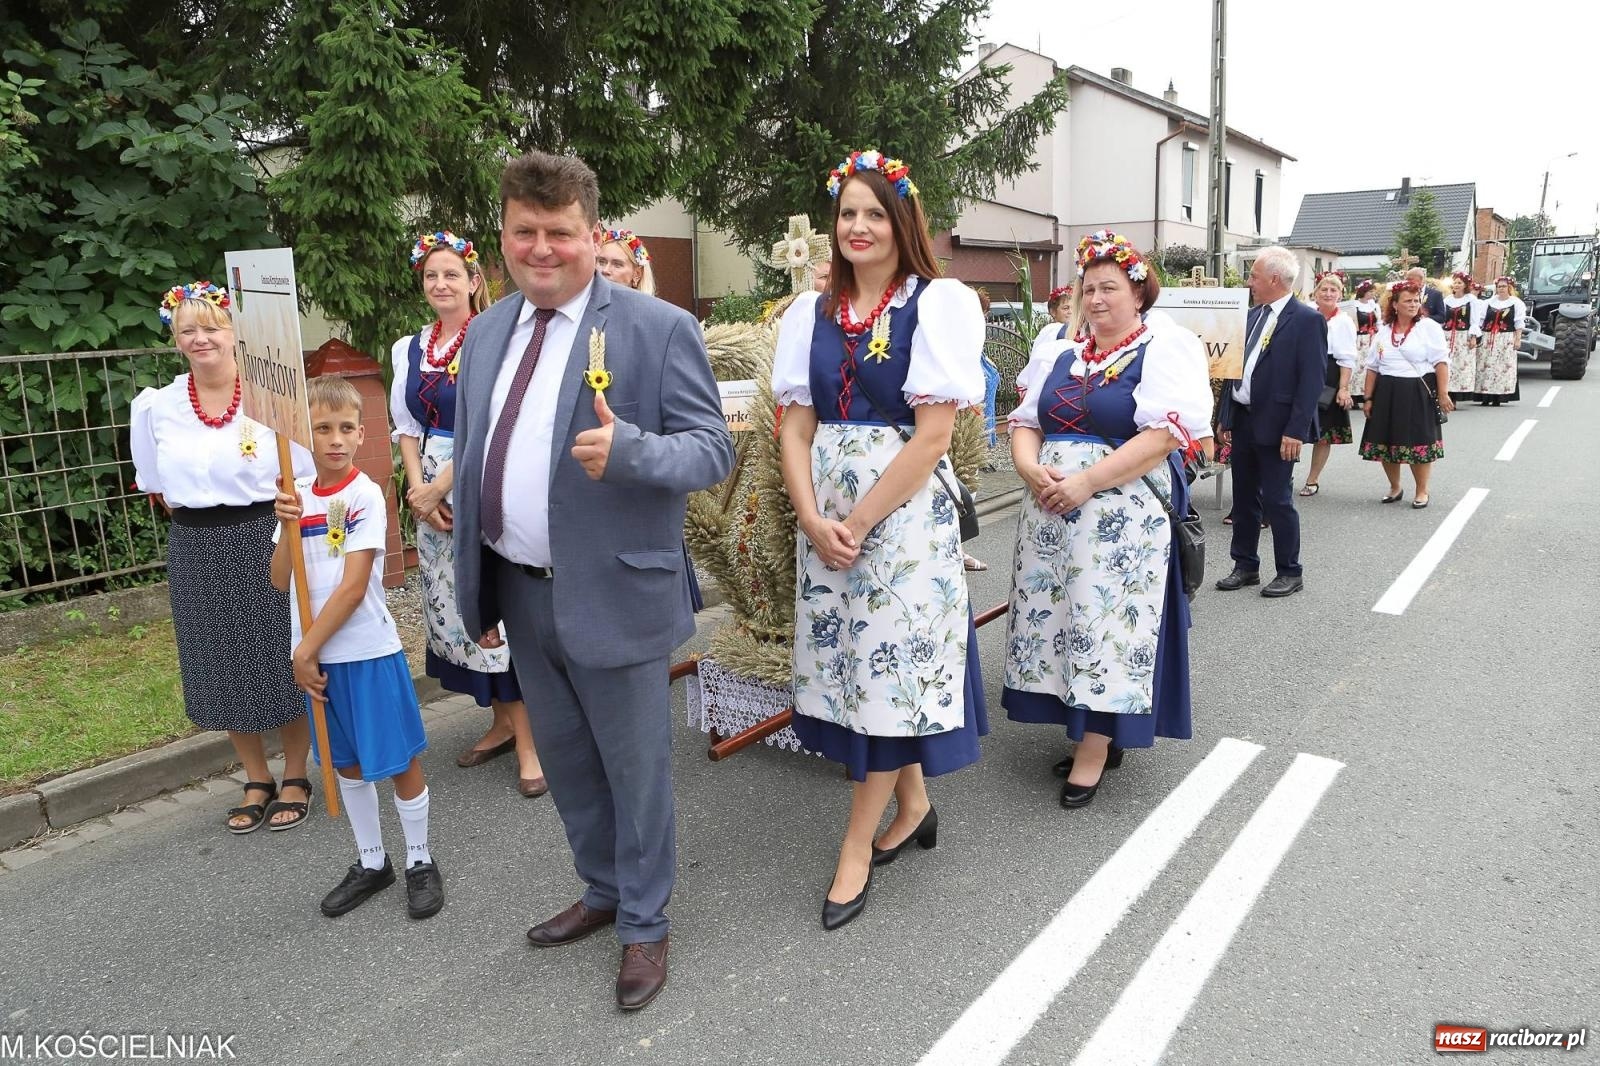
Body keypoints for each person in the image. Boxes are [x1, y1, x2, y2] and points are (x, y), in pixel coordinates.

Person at [451, 150, 734, 1010]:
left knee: (634, 770)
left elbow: (713, 449)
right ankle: (604, 889)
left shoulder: (656, 327)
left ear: (592, 233)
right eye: (524, 232)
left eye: (560, 233)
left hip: (616, 587)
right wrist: (478, 575)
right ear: (501, 237)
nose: (542, 249)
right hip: (521, 586)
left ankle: (646, 925)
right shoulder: (489, 328)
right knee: (571, 764)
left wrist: (634, 452)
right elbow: (479, 451)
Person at [773, 149, 988, 931]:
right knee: (850, 670)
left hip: (896, 524)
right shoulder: (812, 314)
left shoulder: (937, 305)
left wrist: (858, 521)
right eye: (847, 213)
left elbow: (933, 438)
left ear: (901, 224)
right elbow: (794, 426)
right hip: (824, 518)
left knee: (888, 677)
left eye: (874, 212)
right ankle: (916, 805)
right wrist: (808, 516)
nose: (858, 226)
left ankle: (856, 847)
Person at [1003, 230, 1210, 808]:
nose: (1096, 299)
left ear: (1139, 292)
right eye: (1088, 288)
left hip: (1120, 515)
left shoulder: (1163, 349)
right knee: (1062, 616)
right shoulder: (1059, 351)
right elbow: (1027, 421)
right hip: (1050, 510)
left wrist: (1087, 481)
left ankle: (1094, 746)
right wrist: (1028, 467)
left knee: (1104, 623)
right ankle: (1086, 723)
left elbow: (1166, 434)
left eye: (1109, 288)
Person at [130, 282, 314, 835]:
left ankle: (298, 773)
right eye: (188, 328)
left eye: (211, 326)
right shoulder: (156, 406)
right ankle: (256, 776)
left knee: (280, 657)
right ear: (175, 338)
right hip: (197, 545)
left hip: (264, 535)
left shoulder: (272, 395)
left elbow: (304, 474)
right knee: (222, 663)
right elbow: (156, 485)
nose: (200, 337)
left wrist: (292, 503)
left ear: (235, 332)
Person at [270, 376, 441, 919]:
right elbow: (279, 581)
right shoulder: (294, 495)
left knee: (396, 759)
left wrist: (303, 651)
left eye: (346, 428)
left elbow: (351, 586)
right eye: (323, 429)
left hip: (364, 651)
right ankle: (372, 861)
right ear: (307, 436)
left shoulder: (363, 494)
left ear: (362, 433)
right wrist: (285, 527)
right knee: (345, 763)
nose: (336, 439)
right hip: (319, 659)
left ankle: (419, 857)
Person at [390, 231, 546, 797]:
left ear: (475, 281)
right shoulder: (407, 348)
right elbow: (406, 428)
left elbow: (493, 419)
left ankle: (532, 747)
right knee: (454, 612)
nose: (441, 284)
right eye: (432, 275)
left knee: (492, 611)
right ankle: (501, 723)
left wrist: (440, 488)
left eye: (452, 274)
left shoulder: (492, 340)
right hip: (429, 489)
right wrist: (419, 492)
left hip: (480, 477)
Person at [1216, 246, 1326, 598]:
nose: (1250, 282)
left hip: (1280, 426)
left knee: (1277, 500)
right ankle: (1245, 565)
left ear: (1274, 279)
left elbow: (1311, 381)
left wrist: (1296, 429)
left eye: (1254, 276)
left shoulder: (1307, 320)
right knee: (1244, 496)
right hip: (1245, 419)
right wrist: (1224, 415)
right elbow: (1233, 369)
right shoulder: (1250, 316)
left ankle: (1290, 571)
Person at [1358, 279, 1453, 507]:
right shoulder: (1384, 331)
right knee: (1387, 441)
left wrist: (1443, 393)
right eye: (1407, 301)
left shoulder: (1428, 327)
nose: (1413, 304)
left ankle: (1422, 491)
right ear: (1394, 304)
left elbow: (1441, 362)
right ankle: (1395, 486)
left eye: (1416, 300)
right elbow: (1373, 366)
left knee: (1418, 442)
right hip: (1387, 391)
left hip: (1416, 390)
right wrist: (1368, 397)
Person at [1300, 270, 1358, 496]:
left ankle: (1312, 478)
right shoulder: (1305, 315)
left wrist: (1343, 388)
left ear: (1340, 295)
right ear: (1315, 293)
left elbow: (1346, 358)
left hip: (1329, 374)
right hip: (1302, 370)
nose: (1328, 293)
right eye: (1324, 289)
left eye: (1333, 290)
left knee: (1323, 431)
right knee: (1293, 423)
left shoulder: (1343, 322)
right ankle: (1285, 474)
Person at [1476, 275, 1524, 406]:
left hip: (1505, 338)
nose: (1501, 289)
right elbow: (1480, 321)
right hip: (1488, 337)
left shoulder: (1516, 303)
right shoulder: (1488, 303)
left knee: (1502, 367)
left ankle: (1498, 397)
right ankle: (1485, 396)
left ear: (1509, 287)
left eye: (1503, 286)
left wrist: (1517, 339)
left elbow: (1518, 323)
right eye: (1499, 286)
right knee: (1485, 365)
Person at [1441, 270, 1482, 403]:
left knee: (1460, 365)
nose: (1456, 285)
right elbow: (1443, 319)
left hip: (1463, 336)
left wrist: (1473, 337)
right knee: (1447, 364)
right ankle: (1447, 393)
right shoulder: (1447, 300)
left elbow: (1475, 321)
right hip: (1447, 335)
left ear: (1465, 285)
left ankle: (1456, 396)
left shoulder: (1471, 300)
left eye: (1459, 283)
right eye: (1455, 283)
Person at [596, 227, 656, 296]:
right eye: (601, 262)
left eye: (617, 265)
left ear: (637, 274)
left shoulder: (646, 306)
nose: (605, 270)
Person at [1350, 279, 1379, 406]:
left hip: (1371, 339)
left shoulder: (1374, 306)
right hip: (1359, 339)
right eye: (1370, 292)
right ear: (1364, 292)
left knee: (1369, 366)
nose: (1372, 294)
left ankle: (1366, 394)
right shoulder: (1354, 305)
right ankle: (1354, 395)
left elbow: (1379, 322)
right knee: (1357, 366)